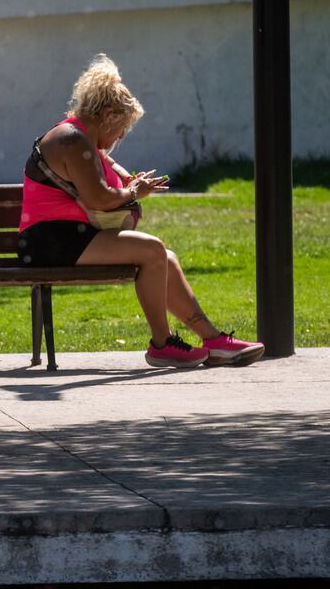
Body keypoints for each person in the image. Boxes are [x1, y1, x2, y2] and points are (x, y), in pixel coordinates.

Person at [17, 54, 264, 368]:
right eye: (121, 128)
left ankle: (213, 340)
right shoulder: (73, 140)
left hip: (67, 237)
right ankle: (162, 344)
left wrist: (130, 187)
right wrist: (134, 192)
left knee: (165, 256)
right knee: (152, 250)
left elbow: (103, 191)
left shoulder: (83, 140)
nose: (120, 137)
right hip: (49, 241)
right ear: (107, 114)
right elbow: (98, 199)